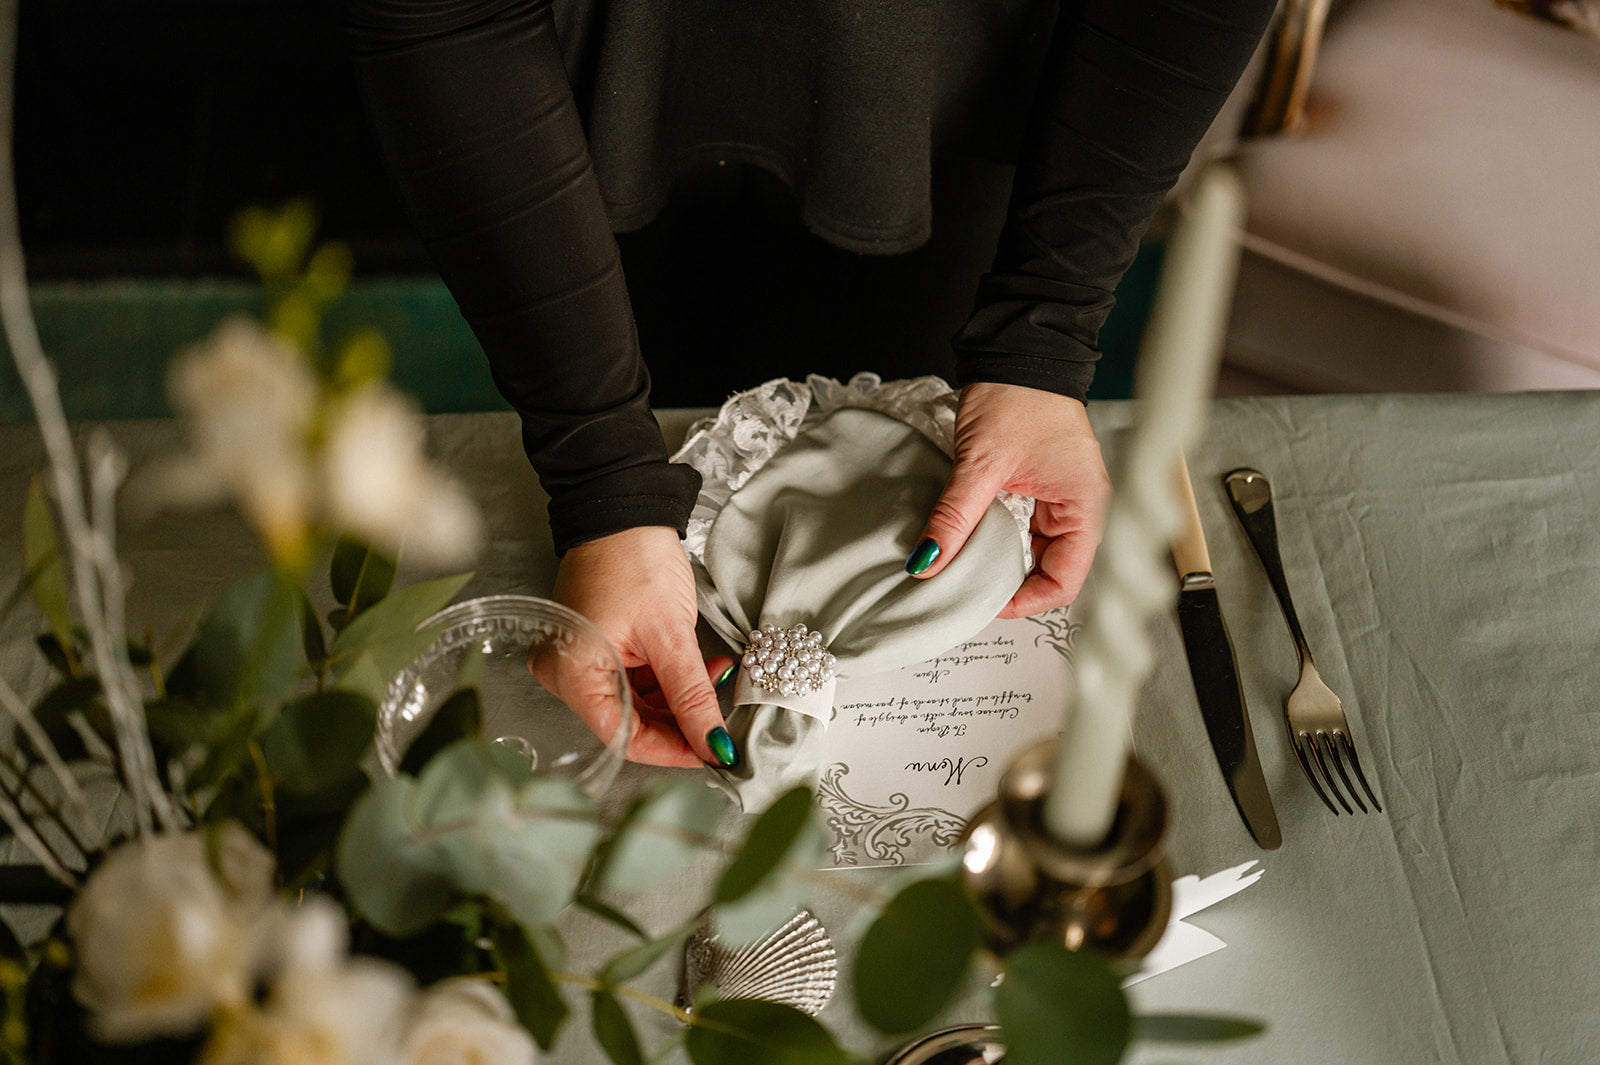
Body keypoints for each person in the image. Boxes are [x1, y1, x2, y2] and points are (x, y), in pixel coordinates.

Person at [343, 0, 1276, 771]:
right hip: (565, 91)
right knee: (644, 346)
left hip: (956, 88)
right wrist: (602, 475)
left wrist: (1044, 330)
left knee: (917, 408)